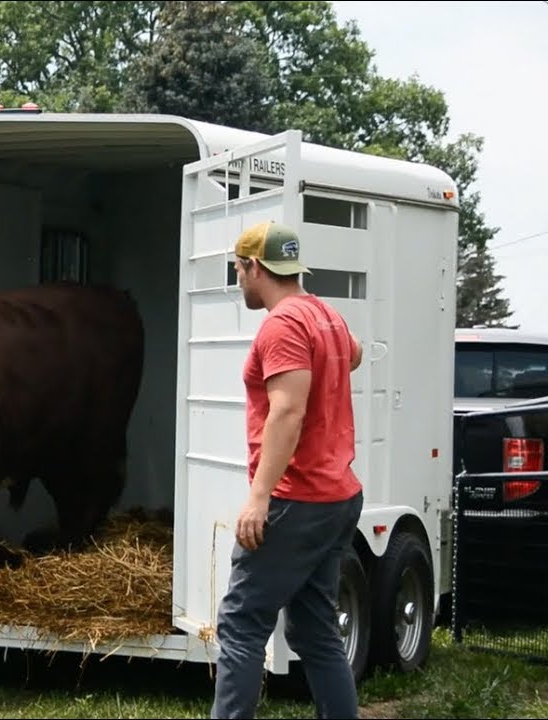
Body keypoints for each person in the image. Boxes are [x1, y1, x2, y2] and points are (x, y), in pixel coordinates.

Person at [211, 220, 366, 719]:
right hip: (337, 496)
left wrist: (259, 496)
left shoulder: (282, 324)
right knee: (314, 626)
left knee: (241, 624)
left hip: (296, 498)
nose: (238, 279)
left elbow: (288, 411)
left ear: (255, 267)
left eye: (238, 268)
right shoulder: (325, 315)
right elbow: (355, 355)